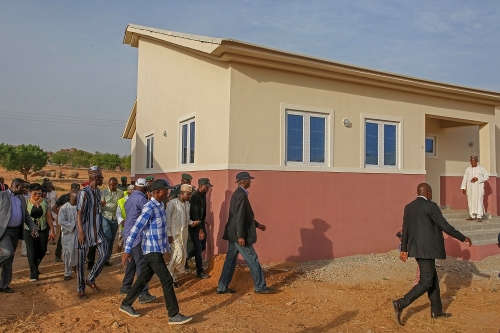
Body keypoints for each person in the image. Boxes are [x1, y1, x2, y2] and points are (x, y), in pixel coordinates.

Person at [392, 183, 472, 325]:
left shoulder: (409, 207)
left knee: (433, 279)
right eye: (431, 192)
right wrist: (462, 237)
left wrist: (404, 249)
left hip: (416, 250)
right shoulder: (431, 206)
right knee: (426, 282)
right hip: (428, 250)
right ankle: (401, 303)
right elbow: (444, 225)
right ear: (428, 192)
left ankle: (436, 310)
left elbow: (405, 229)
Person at [120, 179, 192, 325]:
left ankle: (126, 303)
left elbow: (161, 231)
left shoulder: (160, 206)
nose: (168, 192)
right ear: (157, 192)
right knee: (166, 279)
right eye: (165, 190)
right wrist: (127, 249)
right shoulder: (149, 207)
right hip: (151, 251)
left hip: (157, 250)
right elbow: (136, 228)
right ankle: (174, 314)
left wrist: (165, 248)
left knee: (143, 279)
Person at [217, 172, 273, 294]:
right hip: (238, 234)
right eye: (249, 180)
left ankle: (222, 287)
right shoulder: (241, 195)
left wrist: (257, 225)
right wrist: (240, 236)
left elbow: (244, 216)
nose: (250, 182)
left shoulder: (238, 194)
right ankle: (260, 287)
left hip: (233, 233)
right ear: (243, 181)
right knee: (252, 259)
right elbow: (239, 217)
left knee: (230, 260)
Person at [120, 178, 155, 303]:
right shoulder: (142, 199)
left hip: (129, 232)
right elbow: (149, 212)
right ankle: (143, 292)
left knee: (133, 261)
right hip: (137, 235)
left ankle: (126, 285)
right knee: (141, 263)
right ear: (145, 188)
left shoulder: (130, 198)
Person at [0, 178, 38, 293]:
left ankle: (3, 285)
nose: (25, 190)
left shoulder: (21, 198)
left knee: (9, 259)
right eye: (23, 187)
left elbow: (26, 215)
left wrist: (33, 227)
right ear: (16, 186)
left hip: (16, 231)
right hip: (4, 231)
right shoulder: (1, 196)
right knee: (8, 252)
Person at [75, 166, 108, 299]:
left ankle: (91, 278)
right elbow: (79, 213)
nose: (102, 179)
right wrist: (80, 231)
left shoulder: (98, 191)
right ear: (95, 177)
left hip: (97, 229)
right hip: (85, 231)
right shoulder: (84, 193)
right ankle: (80, 288)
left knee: (104, 253)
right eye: (101, 176)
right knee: (81, 261)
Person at [24, 183, 55, 282]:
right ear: (30, 192)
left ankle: (34, 266)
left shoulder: (46, 202)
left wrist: (52, 230)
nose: (37, 196)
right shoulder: (25, 202)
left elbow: (48, 217)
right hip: (29, 229)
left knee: (42, 249)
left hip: (42, 228)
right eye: (35, 194)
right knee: (31, 250)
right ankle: (33, 274)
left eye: (39, 194)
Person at [166, 184, 193, 287]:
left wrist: (191, 222)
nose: (189, 196)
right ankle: (168, 275)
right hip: (174, 234)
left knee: (180, 257)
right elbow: (167, 219)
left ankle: (172, 279)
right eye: (188, 194)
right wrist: (168, 234)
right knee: (179, 255)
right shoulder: (172, 203)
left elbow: (187, 219)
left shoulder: (187, 204)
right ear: (182, 193)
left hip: (184, 234)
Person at [187, 178, 213, 279]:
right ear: (200, 186)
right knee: (198, 249)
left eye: (208, 187)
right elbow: (194, 213)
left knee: (202, 247)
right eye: (206, 187)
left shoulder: (203, 195)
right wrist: (200, 230)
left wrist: (204, 219)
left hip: (201, 223)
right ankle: (200, 272)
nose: (208, 189)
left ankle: (186, 257)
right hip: (195, 225)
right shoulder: (195, 196)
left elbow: (202, 211)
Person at [52, 183, 81, 262]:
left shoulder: (79, 198)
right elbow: (54, 208)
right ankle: (58, 255)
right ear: (71, 189)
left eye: (78, 189)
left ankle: (76, 261)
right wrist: (61, 215)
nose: (76, 190)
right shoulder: (64, 197)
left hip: (76, 224)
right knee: (62, 240)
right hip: (66, 225)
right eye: (75, 189)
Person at [101, 177, 124, 266]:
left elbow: (122, 204)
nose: (111, 186)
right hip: (105, 217)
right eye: (110, 185)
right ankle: (102, 256)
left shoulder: (120, 193)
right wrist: (102, 205)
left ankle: (107, 258)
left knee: (111, 240)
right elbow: (100, 205)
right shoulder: (103, 192)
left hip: (115, 218)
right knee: (108, 237)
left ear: (116, 184)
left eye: (113, 185)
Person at [58, 189, 79, 281]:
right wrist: (73, 226)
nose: (77, 200)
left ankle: (76, 266)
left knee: (78, 251)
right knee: (67, 252)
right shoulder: (64, 208)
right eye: (75, 198)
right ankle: (67, 272)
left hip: (79, 233)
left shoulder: (80, 207)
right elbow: (61, 221)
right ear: (70, 197)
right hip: (68, 234)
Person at [460, 155, 489, 222]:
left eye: (474, 160)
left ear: (477, 161)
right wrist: (464, 188)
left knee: (479, 201)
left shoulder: (482, 169)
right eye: (471, 160)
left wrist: (478, 178)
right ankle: (472, 216)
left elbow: (487, 176)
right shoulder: (467, 169)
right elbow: (465, 178)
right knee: (470, 201)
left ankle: (479, 216)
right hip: (470, 188)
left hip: (478, 188)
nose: (473, 162)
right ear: (470, 161)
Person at [116, 184, 135, 252]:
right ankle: (120, 245)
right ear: (127, 192)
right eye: (130, 192)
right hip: (123, 224)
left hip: (133, 224)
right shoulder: (121, 201)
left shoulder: (137, 200)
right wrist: (121, 221)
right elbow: (118, 213)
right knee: (121, 237)